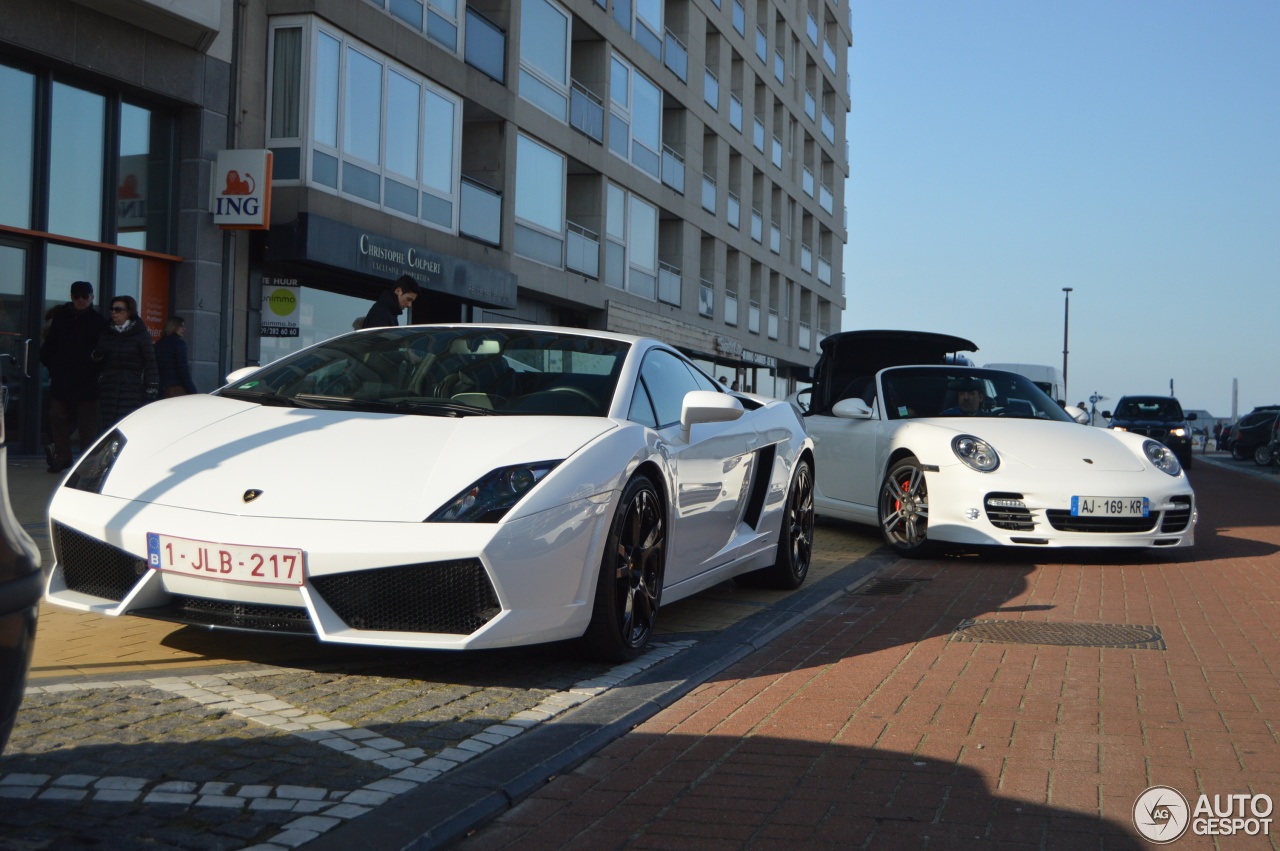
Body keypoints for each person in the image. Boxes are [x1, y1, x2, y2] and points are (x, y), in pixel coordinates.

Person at [38, 281, 109, 473]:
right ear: (71, 297)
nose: (80, 300)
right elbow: (49, 346)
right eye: (77, 296)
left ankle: (87, 464)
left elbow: (104, 352)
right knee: (56, 417)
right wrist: (54, 367)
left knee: (87, 427)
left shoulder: (98, 321)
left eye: (84, 296)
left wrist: (95, 368)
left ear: (91, 297)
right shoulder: (62, 316)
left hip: (87, 381)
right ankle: (63, 458)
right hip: (63, 379)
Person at [94, 295, 159, 432]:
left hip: (132, 389)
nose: (113, 312)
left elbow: (150, 362)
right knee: (108, 429)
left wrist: (151, 389)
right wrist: (97, 355)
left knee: (127, 427)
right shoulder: (106, 332)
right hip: (109, 389)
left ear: (129, 312)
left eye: (118, 309)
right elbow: (97, 362)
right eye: (112, 309)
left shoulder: (140, 334)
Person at [154, 316, 198, 397]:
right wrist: (192, 390)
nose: (184, 329)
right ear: (174, 327)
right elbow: (183, 369)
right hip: (175, 388)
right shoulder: (179, 344)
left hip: (161, 389)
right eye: (181, 326)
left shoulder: (158, 344)